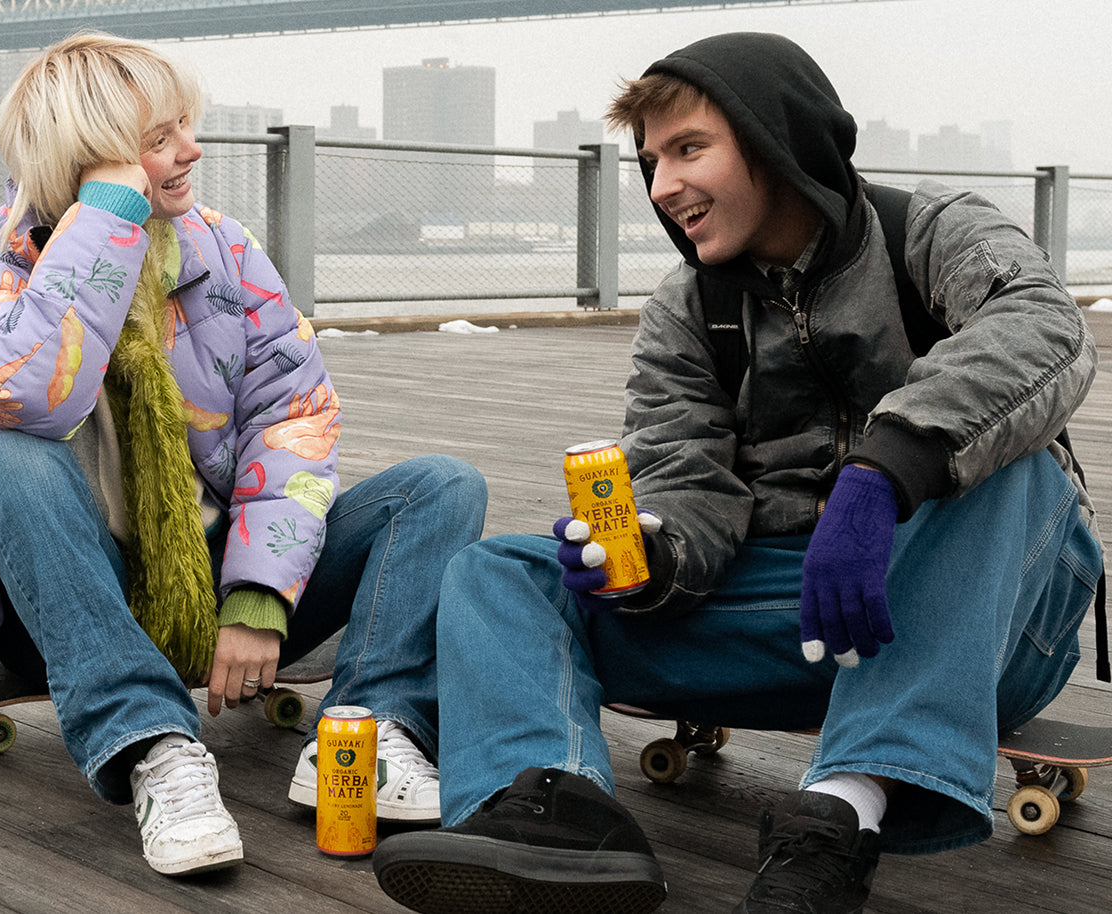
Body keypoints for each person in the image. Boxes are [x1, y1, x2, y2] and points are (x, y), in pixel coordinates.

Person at [371, 31, 1103, 914]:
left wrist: (885, 474)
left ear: (778, 140)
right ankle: (555, 815)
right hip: (798, 618)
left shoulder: (934, 233)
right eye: (650, 162)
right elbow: (684, 473)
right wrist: (658, 553)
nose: (661, 185)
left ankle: (839, 816)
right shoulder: (688, 311)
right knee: (496, 573)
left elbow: (1047, 332)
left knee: (1018, 472)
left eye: (689, 149)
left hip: (980, 624)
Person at [0, 33, 486, 877]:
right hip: (79, 607)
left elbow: (293, 419)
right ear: (91, 163)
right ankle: (154, 749)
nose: (192, 150)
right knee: (15, 461)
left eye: (186, 126)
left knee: (442, 487)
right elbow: (34, 396)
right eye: (159, 139)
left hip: (226, 587)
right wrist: (107, 222)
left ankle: (367, 735)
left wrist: (259, 593)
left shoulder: (223, 251)